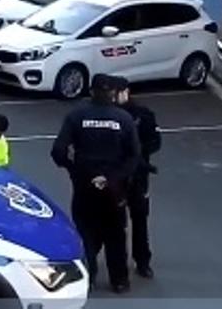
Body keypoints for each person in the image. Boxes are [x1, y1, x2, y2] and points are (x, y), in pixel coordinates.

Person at [50, 74, 141, 293]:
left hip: (84, 186)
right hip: (114, 188)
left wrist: (75, 171)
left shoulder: (76, 116)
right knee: (116, 235)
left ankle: (87, 278)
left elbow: (58, 151)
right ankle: (119, 280)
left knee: (85, 233)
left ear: (91, 91)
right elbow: (134, 156)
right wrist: (113, 178)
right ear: (112, 93)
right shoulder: (123, 119)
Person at [113, 76, 162, 279]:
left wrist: (139, 155)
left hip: (139, 177)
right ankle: (117, 263)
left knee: (140, 220)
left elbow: (155, 142)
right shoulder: (109, 115)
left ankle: (142, 261)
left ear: (127, 92)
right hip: (117, 176)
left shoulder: (143, 115)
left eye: (119, 92)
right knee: (115, 222)